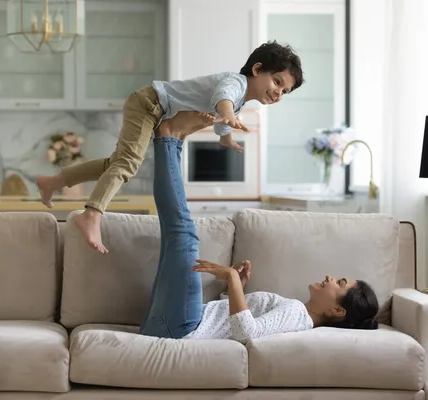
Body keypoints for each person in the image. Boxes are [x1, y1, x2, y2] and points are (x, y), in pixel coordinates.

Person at [36, 40, 304, 254]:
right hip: (149, 103)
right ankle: (91, 215)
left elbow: (225, 117)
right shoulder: (235, 83)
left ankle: (54, 181)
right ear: (257, 70)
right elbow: (223, 100)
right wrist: (229, 116)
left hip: (154, 108)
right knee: (127, 164)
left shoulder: (240, 100)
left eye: (285, 92)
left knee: (115, 163)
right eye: (277, 82)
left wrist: (225, 137)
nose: (278, 93)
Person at [139, 112, 379, 343]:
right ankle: (172, 139)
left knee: (182, 233)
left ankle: (169, 137)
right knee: (176, 234)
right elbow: (232, 325)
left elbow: (245, 334)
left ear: (338, 310)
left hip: (186, 326)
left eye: (341, 283)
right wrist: (237, 288)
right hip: (170, 325)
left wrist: (231, 277)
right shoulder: (297, 317)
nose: (331, 277)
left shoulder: (297, 314)